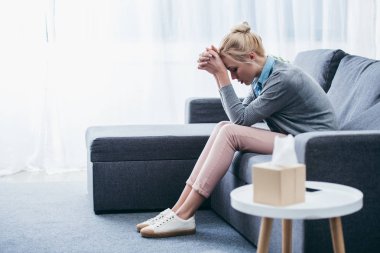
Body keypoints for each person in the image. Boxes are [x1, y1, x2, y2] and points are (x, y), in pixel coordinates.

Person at [136, 22, 337, 238]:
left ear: (251, 57)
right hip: (295, 138)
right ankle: (176, 210)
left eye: (233, 69)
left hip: (313, 145)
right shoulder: (266, 74)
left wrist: (219, 75)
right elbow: (238, 115)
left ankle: (184, 216)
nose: (233, 77)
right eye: (229, 71)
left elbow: (241, 120)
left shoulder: (283, 78)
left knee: (230, 132)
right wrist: (219, 73)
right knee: (223, 127)